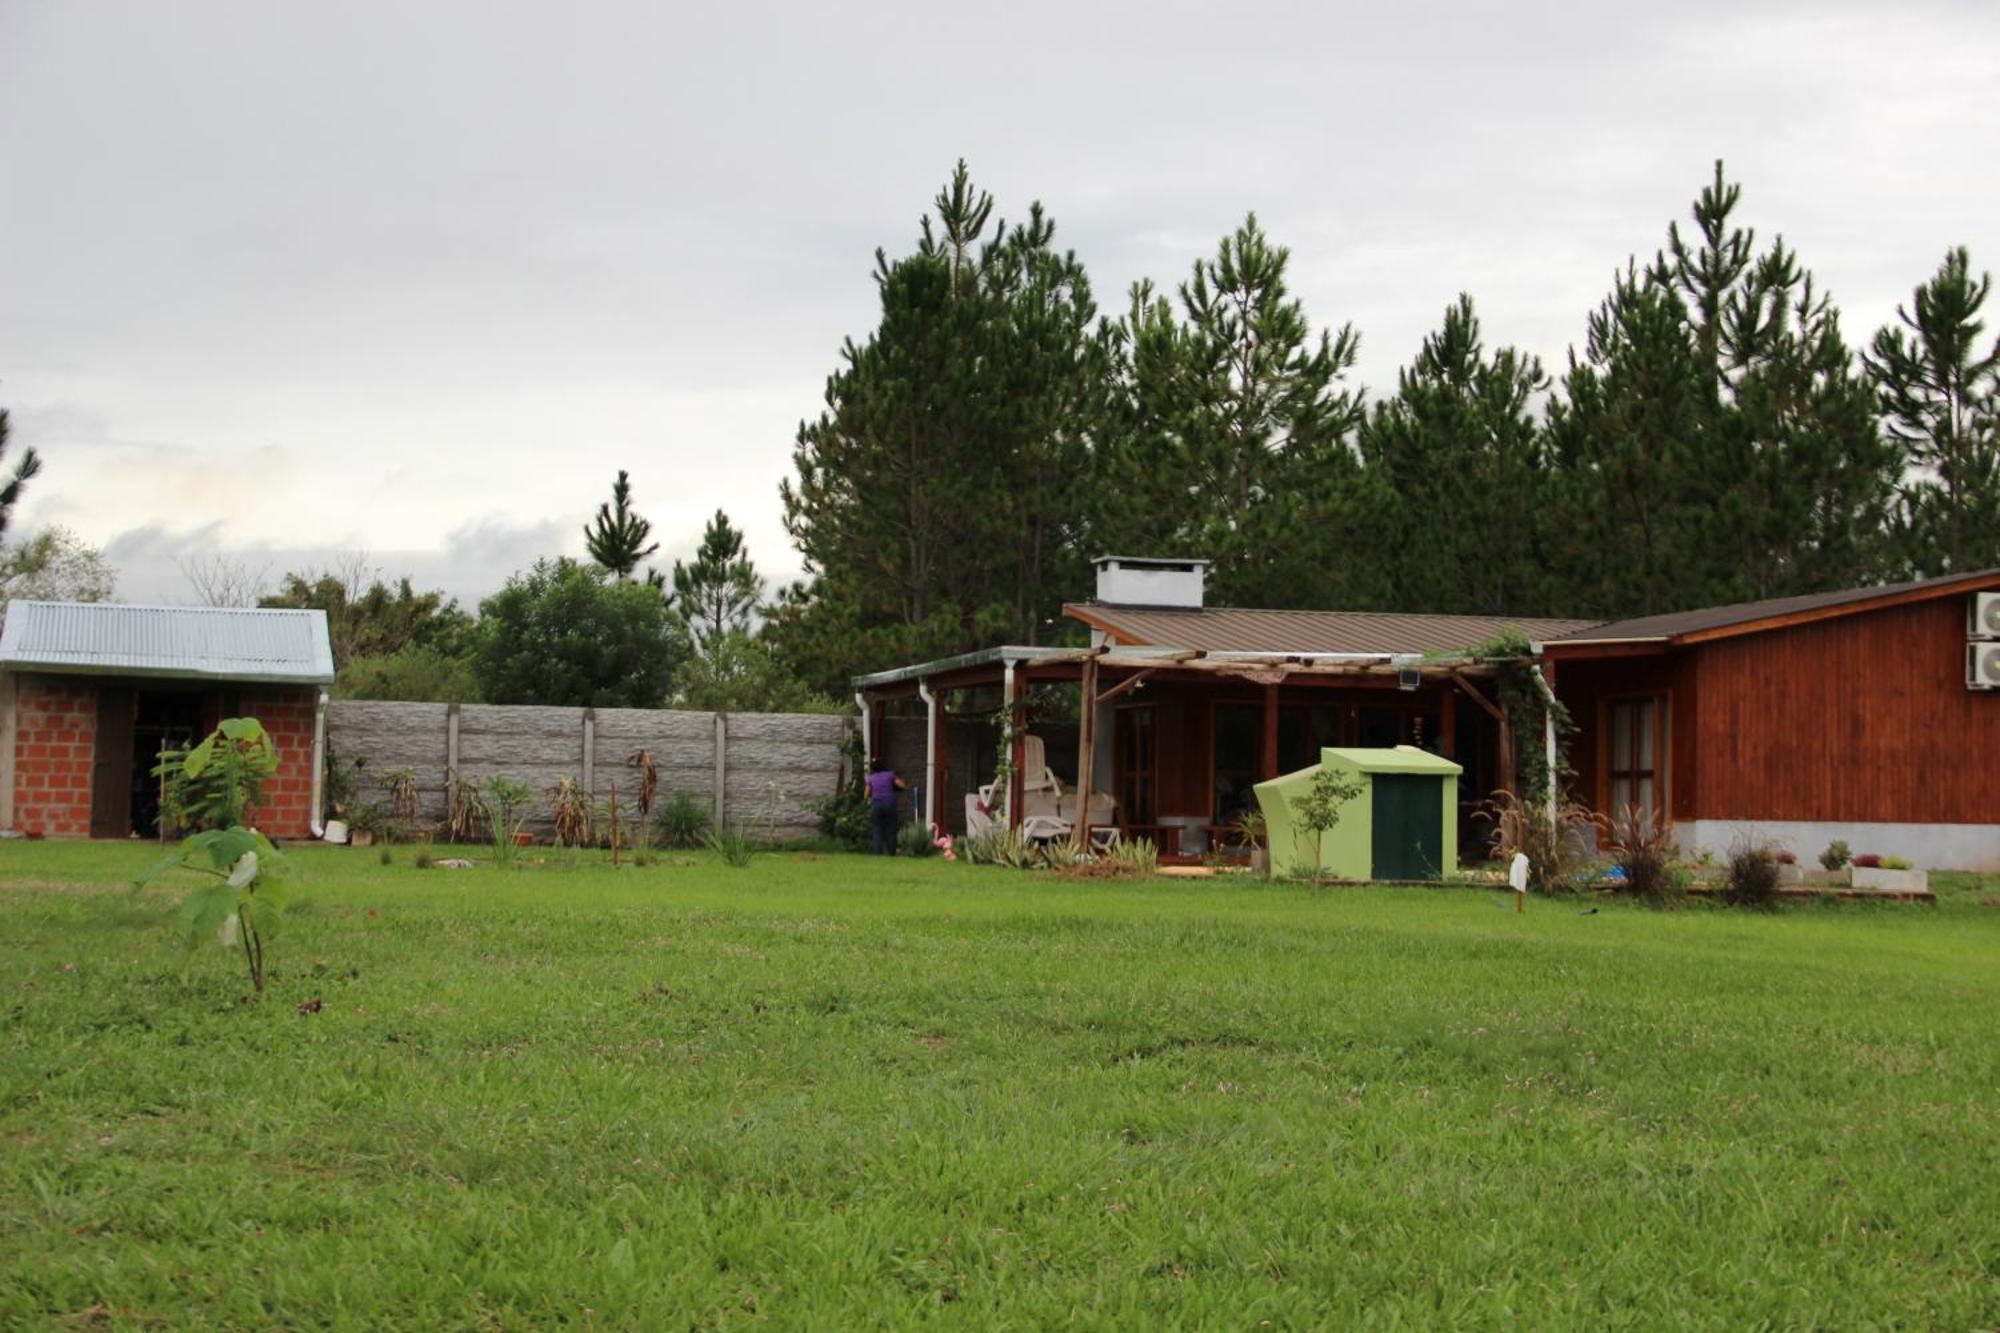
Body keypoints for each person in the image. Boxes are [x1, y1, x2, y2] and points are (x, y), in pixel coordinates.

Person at [865, 758, 906, 855]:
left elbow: (866, 794)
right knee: (891, 829)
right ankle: (891, 852)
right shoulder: (890, 775)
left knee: (877, 829)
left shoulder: (871, 778)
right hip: (889, 804)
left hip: (876, 805)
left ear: (872, 768)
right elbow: (902, 785)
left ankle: (877, 852)